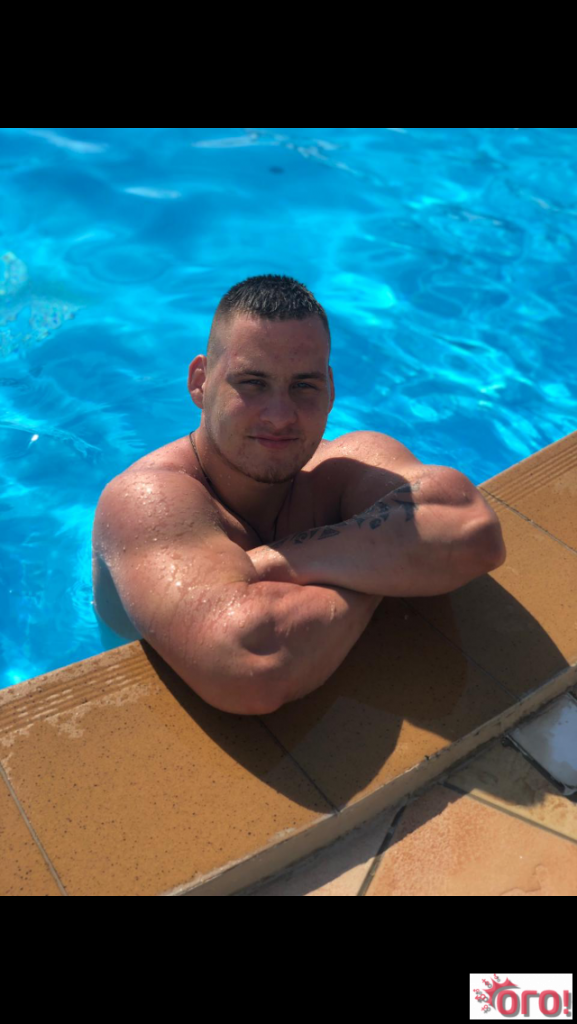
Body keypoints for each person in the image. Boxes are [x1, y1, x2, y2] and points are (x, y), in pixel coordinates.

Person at [92, 274, 506, 715]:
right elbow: (250, 665)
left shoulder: (344, 462)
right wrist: (383, 569)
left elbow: (473, 531)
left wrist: (274, 562)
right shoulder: (145, 498)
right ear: (201, 381)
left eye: (304, 385)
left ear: (330, 389)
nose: (280, 416)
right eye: (252, 383)